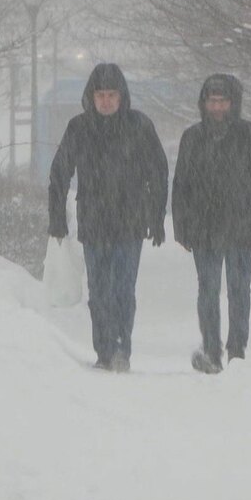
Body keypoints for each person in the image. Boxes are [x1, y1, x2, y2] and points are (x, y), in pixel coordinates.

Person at [48, 63, 168, 372]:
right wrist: (57, 218)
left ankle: (121, 349)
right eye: (100, 95)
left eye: (111, 94)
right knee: (99, 291)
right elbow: (60, 173)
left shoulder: (139, 126)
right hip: (94, 220)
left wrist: (156, 216)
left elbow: (158, 171)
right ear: (91, 96)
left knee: (123, 290)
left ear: (121, 95)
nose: (105, 101)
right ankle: (103, 349)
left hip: (130, 221)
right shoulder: (79, 128)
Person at [172, 74, 251, 374]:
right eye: (212, 101)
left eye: (222, 101)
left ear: (234, 103)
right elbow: (181, 185)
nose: (217, 107)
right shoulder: (192, 138)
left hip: (242, 226)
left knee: (238, 289)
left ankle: (237, 350)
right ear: (203, 103)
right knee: (207, 290)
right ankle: (211, 350)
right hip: (203, 228)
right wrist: (182, 225)